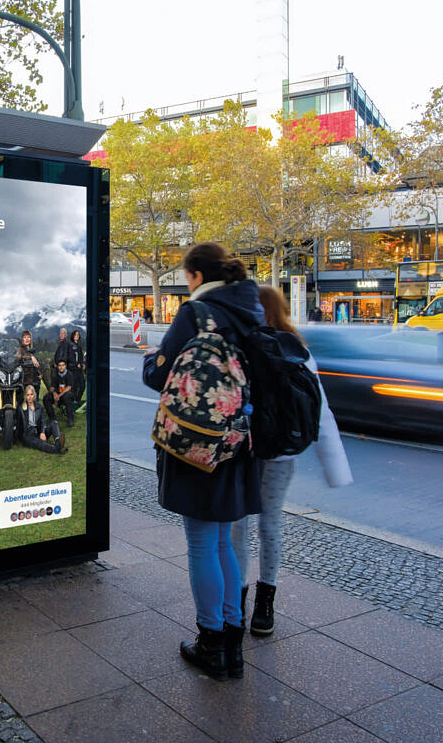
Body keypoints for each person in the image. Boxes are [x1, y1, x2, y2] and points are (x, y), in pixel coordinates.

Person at [141, 241, 263, 681]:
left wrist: (150, 361)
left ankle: (210, 642)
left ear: (195, 276)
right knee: (224, 541)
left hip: (199, 444)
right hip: (239, 443)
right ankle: (233, 642)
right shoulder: (252, 310)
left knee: (201, 543)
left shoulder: (196, 313)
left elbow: (160, 374)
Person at [231, 286, 353, 636]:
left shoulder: (243, 346)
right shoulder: (298, 350)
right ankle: (265, 606)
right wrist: (336, 468)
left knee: (239, 526)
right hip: (281, 454)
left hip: (246, 452)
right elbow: (319, 410)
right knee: (270, 525)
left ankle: (236, 602)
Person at [20, 385, 65, 455]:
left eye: (31, 394)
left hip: (38, 431)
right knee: (41, 444)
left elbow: (43, 420)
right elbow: (18, 423)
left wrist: (42, 432)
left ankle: (58, 442)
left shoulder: (39, 406)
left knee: (54, 422)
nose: (30, 397)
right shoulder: (21, 408)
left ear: (34, 395)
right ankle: (57, 449)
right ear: (25, 396)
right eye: (28, 395)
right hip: (29, 436)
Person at [44, 359, 76, 428]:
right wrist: (54, 394)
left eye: (63, 365)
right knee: (46, 398)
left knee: (67, 396)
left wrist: (58, 396)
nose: (61, 367)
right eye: (59, 365)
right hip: (57, 394)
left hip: (67, 394)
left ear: (65, 366)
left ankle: (70, 419)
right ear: (57, 366)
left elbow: (69, 387)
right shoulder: (55, 375)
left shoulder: (69, 374)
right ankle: (52, 419)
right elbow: (52, 387)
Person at [17, 330, 44, 401]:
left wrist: (39, 373)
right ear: (22, 339)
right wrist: (31, 357)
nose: (27, 339)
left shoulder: (32, 350)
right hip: (26, 379)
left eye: (28, 337)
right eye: (25, 337)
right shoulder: (20, 349)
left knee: (35, 400)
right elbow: (19, 357)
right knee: (28, 400)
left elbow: (36, 364)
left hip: (35, 378)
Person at [68, 329, 86, 405]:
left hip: (79, 369)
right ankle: (74, 402)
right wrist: (76, 364)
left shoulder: (79, 346)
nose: (77, 336)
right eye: (75, 335)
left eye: (78, 335)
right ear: (73, 336)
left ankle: (78, 400)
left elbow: (81, 357)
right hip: (73, 369)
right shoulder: (70, 345)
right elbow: (70, 357)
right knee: (74, 386)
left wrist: (83, 364)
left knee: (82, 385)